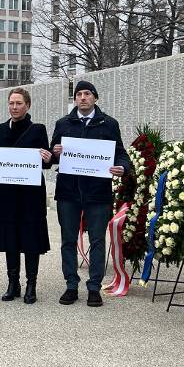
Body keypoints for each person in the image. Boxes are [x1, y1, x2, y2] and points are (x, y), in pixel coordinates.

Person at [50, 81, 130, 307]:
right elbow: (53, 155)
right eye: (79, 94)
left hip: (97, 192)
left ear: (95, 98)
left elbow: (120, 154)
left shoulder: (109, 124)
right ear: (75, 99)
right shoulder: (63, 123)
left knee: (97, 240)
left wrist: (122, 168)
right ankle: (71, 285)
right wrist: (55, 152)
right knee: (68, 239)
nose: (83, 98)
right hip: (68, 191)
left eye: (87, 94)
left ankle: (94, 286)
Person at [0, 88, 52, 304]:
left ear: (28, 105)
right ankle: (12, 282)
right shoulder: (0, 129)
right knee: (10, 235)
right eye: (11, 103)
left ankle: (31, 283)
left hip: (31, 193)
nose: (14, 107)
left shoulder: (38, 129)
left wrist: (47, 156)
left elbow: (47, 159)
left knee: (31, 237)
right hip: (7, 193)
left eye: (19, 103)